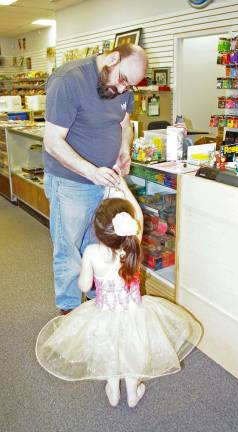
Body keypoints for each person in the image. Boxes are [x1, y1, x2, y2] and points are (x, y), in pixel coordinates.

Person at [36, 178, 202, 408]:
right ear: (130, 224)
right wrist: (122, 185)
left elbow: (84, 287)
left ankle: (113, 391)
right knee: (133, 351)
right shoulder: (133, 244)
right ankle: (133, 394)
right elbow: (139, 216)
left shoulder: (92, 252)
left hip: (104, 314)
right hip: (135, 313)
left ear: (97, 229)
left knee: (110, 353)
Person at [43, 43, 148, 314]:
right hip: (71, 183)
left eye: (130, 86)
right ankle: (67, 312)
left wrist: (124, 149)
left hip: (106, 182)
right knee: (69, 247)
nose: (124, 90)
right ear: (112, 58)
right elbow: (53, 142)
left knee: (99, 243)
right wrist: (92, 171)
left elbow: (125, 125)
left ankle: (96, 301)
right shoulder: (68, 80)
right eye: (123, 80)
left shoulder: (122, 88)